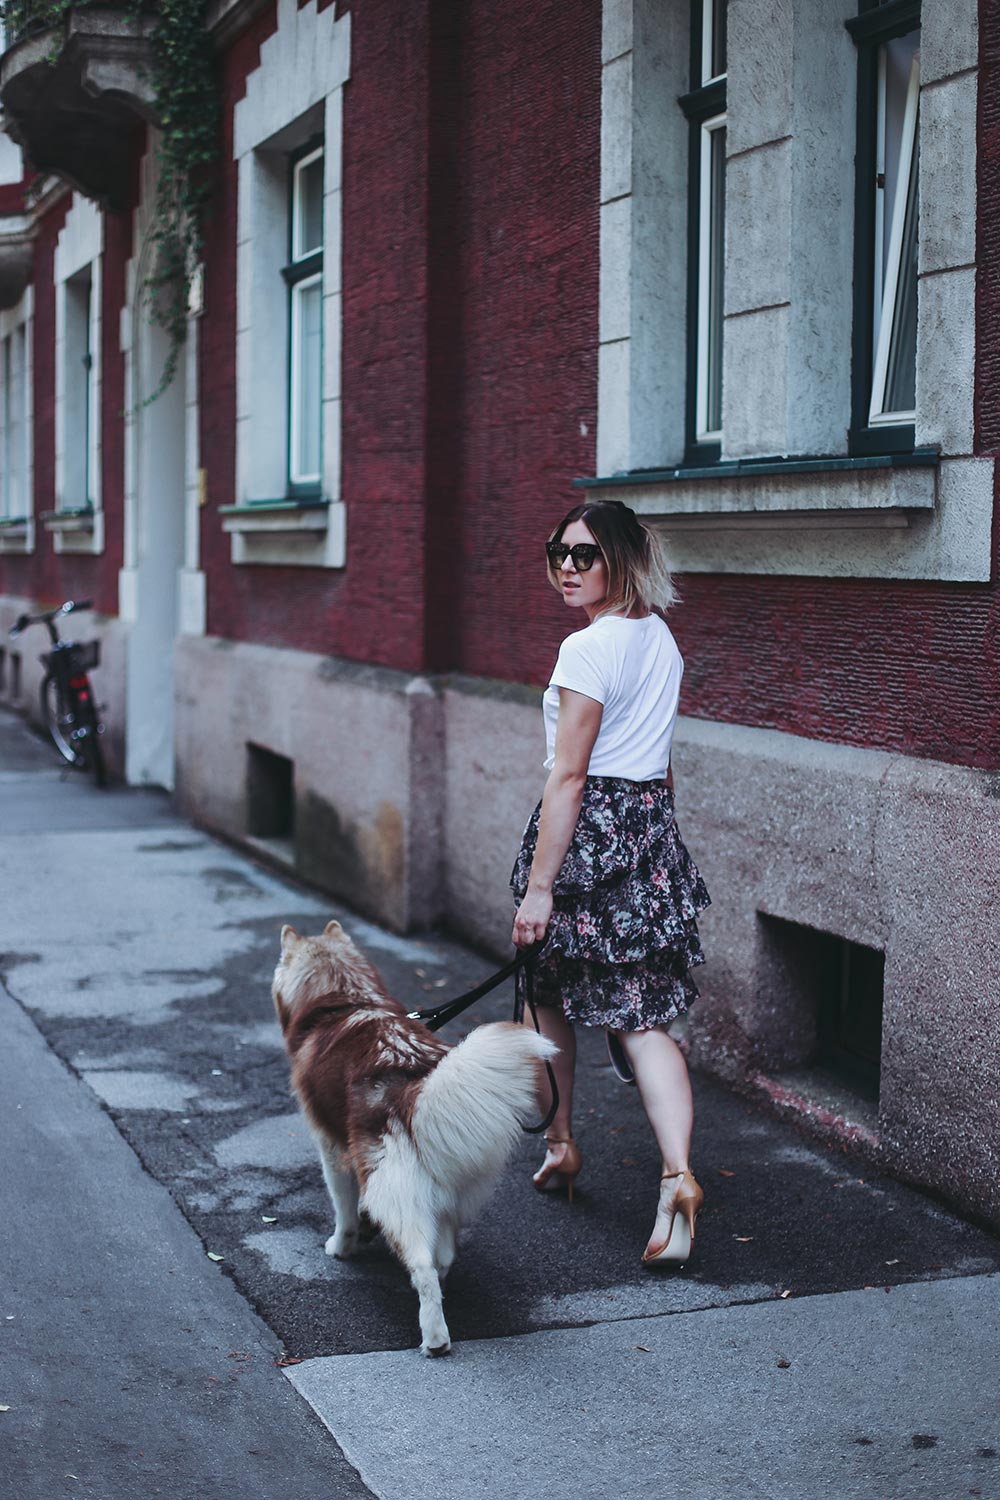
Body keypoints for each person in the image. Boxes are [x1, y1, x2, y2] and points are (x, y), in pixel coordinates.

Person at [510, 498, 710, 1266]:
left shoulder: (587, 650)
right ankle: (677, 1176)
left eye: (584, 555)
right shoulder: (660, 639)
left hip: (590, 834)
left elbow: (569, 776)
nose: (567, 567)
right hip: (648, 828)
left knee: (544, 990)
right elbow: (659, 763)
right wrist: (659, 847)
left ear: (619, 560)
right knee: (642, 1017)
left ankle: (563, 1145)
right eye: (558, 551)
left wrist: (538, 889)